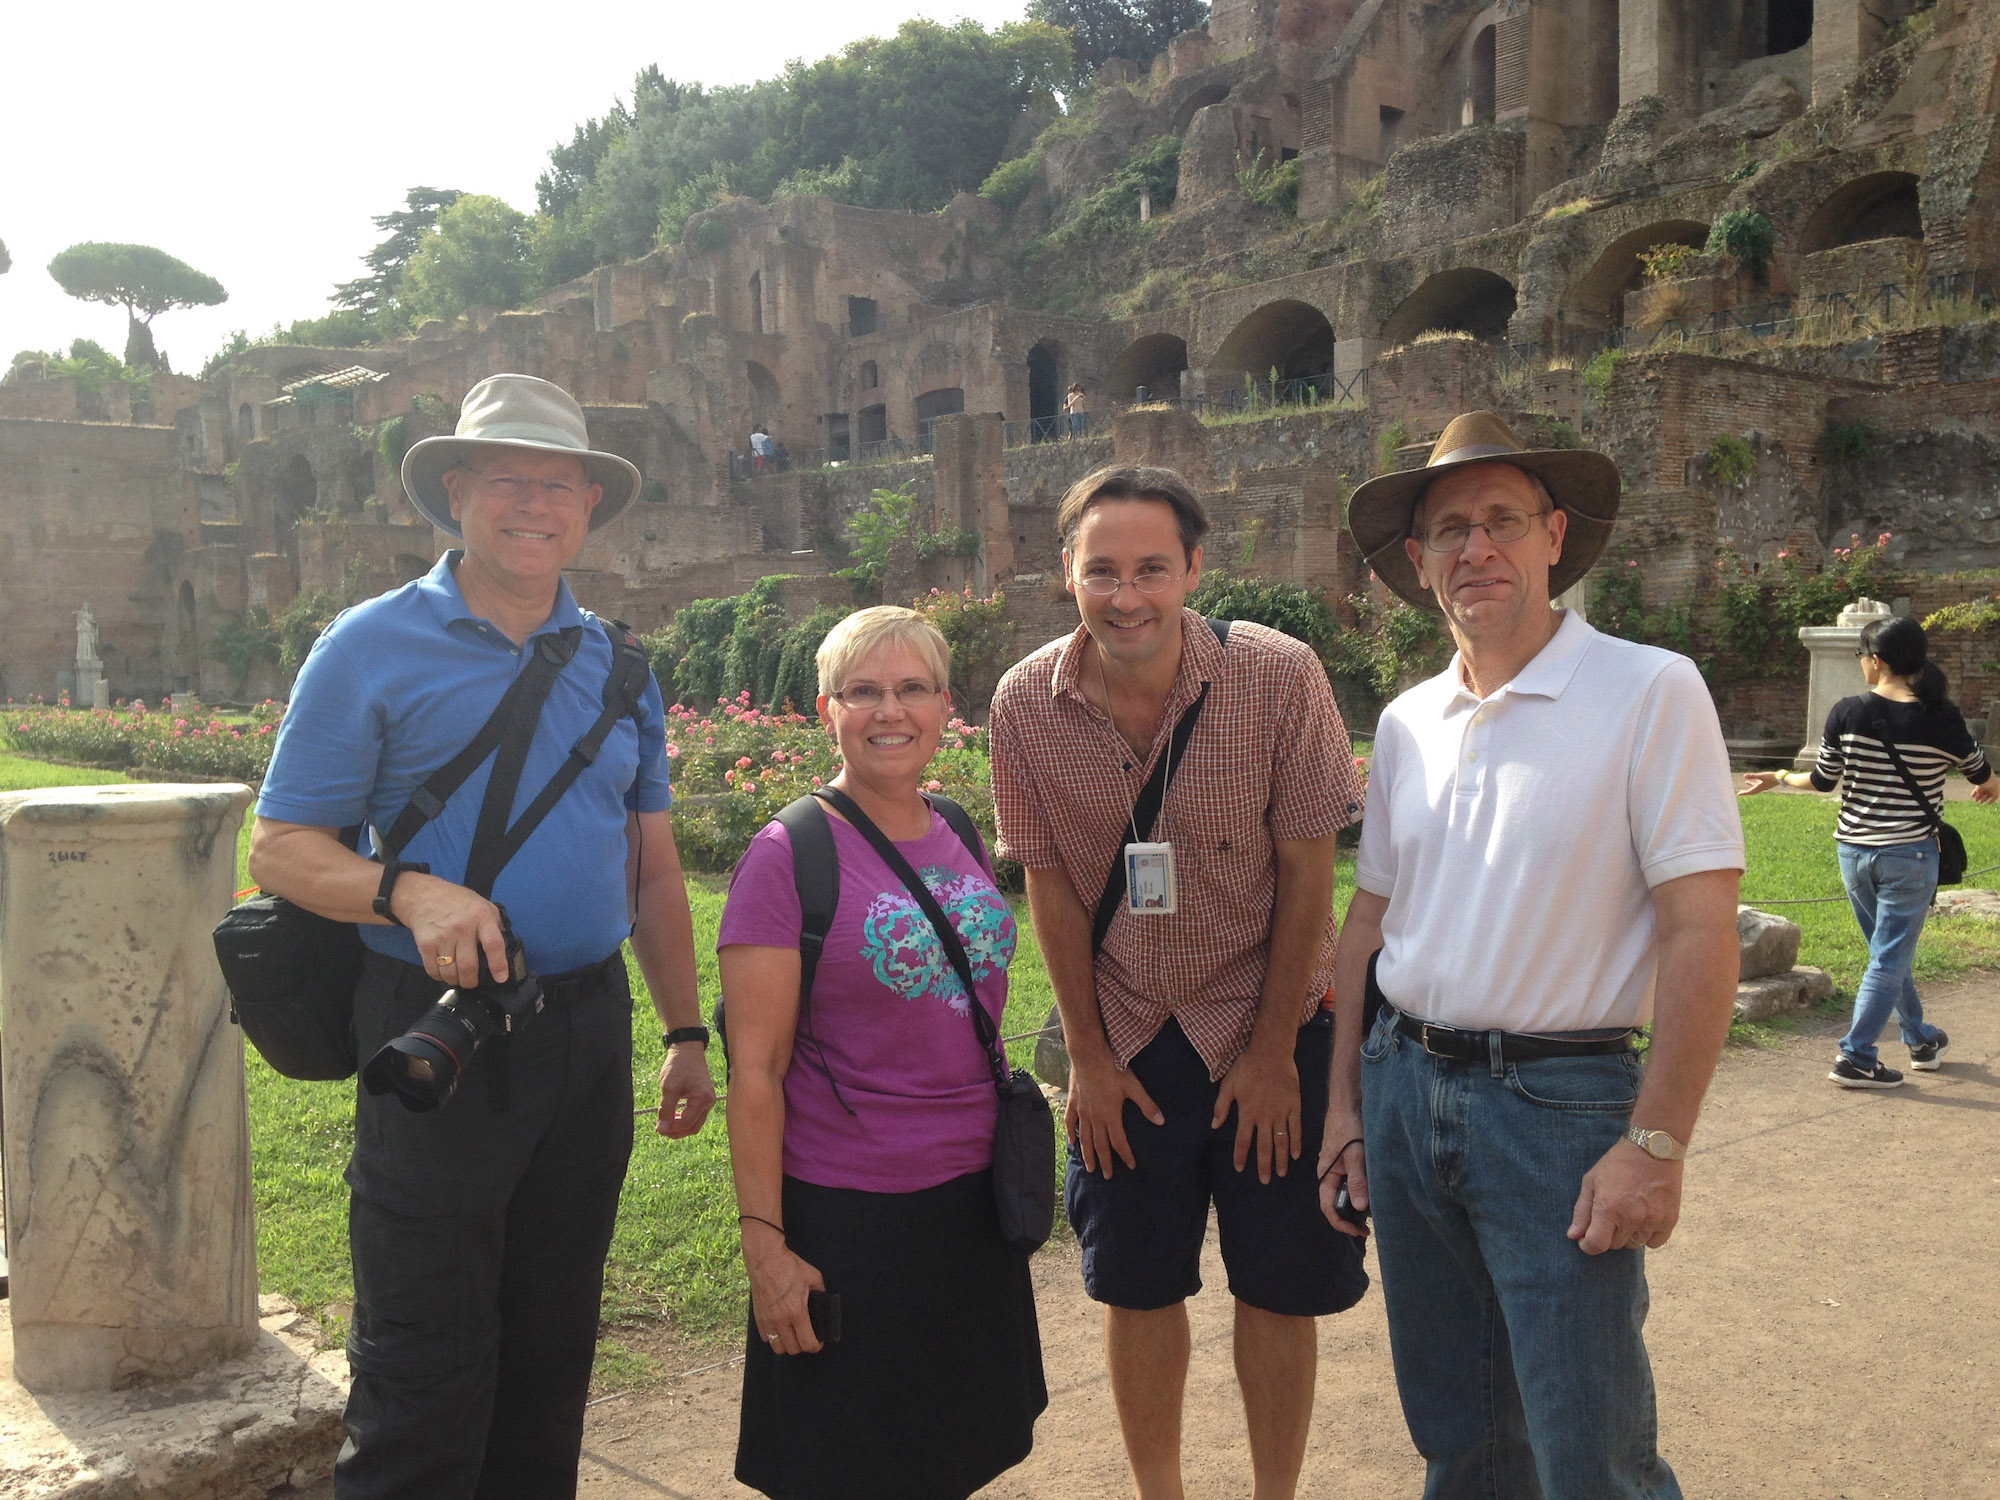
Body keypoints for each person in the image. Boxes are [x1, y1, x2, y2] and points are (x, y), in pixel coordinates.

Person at [249, 373, 717, 1499]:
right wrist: (410, 893)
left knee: (552, 1355)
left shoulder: (625, 666)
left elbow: (651, 870)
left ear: (588, 507)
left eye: (559, 483)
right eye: (507, 478)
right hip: (432, 1025)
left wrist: (686, 1031)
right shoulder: (367, 646)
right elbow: (281, 849)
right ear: (455, 490)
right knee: (422, 1368)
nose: (534, 503)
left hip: (587, 1031)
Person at [1330, 410, 1744, 1499]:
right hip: (1403, 1089)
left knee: (1587, 1451)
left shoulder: (1648, 690)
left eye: (1499, 520)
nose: (1474, 549)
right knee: (1457, 1439)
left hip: (1554, 1105)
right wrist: (1344, 1109)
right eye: (1447, 529)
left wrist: (1656, 1141)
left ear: (1553, 535)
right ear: (1418, 564)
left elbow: (1699, 927)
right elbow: (1366, 926)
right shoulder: (1409, 719)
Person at [989, 465, 1368, 1500]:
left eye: (1152, 568)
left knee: (1278, 1287)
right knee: (1137, 1288)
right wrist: (1091, 1063)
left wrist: (1271, 1056)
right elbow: (1053, 892)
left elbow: (1305, 870)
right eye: (1101, 569)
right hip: (1127, 1035)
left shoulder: (1275, 676)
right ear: (1065, 574)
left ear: (1192, 569)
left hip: (1267, 1019)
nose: (1127, 595)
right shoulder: (1027, 701)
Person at [720, 606, 1047, 1500]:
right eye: (863, 691)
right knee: (850, 1466)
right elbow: (755, 1071)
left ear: (946, 706)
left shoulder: (957, 829)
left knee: (951, 1451)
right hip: (853, 1214)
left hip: (972, 1202)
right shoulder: (789, 855)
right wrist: (767, 1252)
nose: (888, 711)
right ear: (827, 710)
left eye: (910, 689)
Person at [1741, 613, 1996, 1087]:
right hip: (1910, 854)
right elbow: (1980, 772)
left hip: (1854, 853)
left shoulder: (1847, 711)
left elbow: (1820, 781)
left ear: (1875, 661)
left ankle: (1920, 1037)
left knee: (1885, 955)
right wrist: (1990, 786)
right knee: (1889, 957)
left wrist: (1776, 778)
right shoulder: (1941, 716)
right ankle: (1856, 1057)